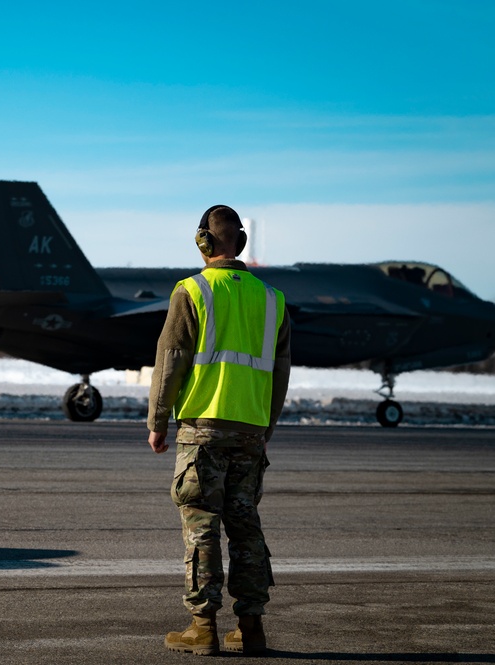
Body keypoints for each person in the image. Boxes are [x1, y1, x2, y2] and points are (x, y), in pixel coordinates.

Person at [146, 204, 291, 656]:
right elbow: (280, 371)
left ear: (203, 241)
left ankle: (203, 627)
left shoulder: (192, 290)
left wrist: (157, 421)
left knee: (201, 526)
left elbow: (171, 361)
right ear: (241, 244)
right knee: (246, 527)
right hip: (250, 430)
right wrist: (266, 424)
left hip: (202, 431)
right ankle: (251, 628)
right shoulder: (273, 300)